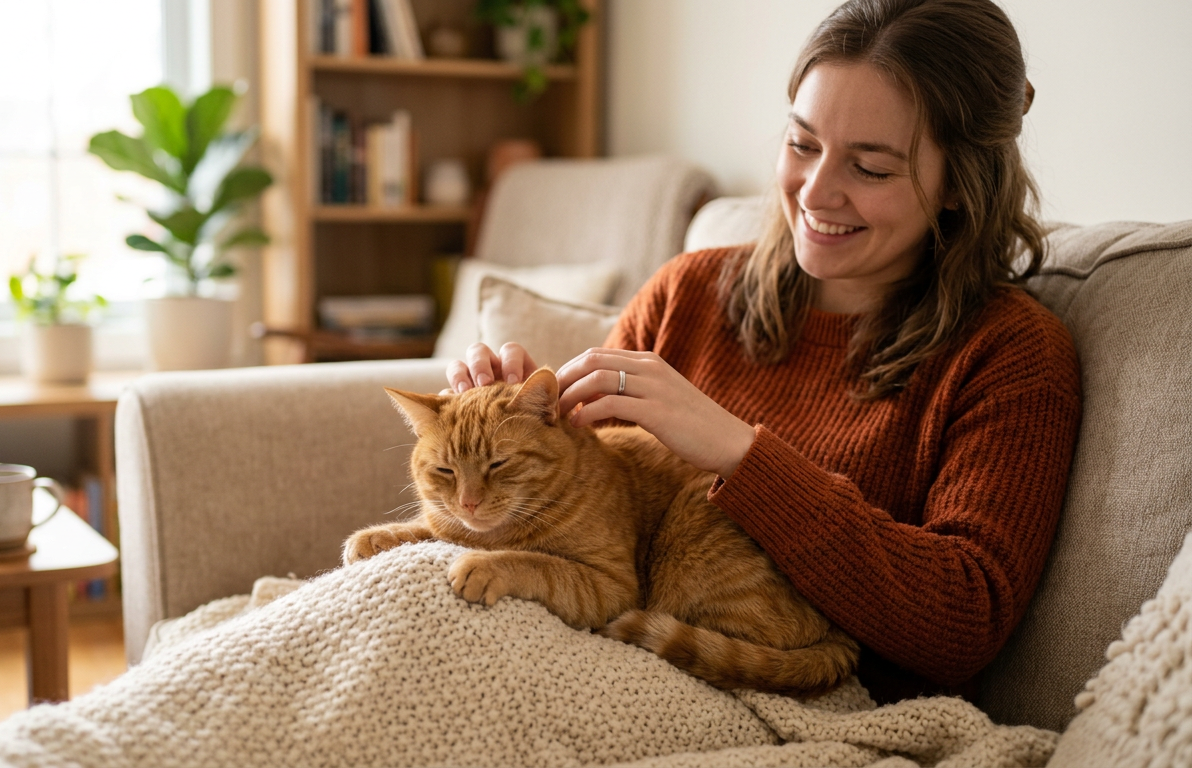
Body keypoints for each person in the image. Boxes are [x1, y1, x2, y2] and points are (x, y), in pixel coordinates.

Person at [445, 0, 1082, 705]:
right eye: (803, 143)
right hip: (606, 656)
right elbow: (578, 518)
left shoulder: (1011, 356)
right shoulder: (687, 292)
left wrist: (742, 455)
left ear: (960, 184)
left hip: (795, 697)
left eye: (869, 168)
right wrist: (507, 430)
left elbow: (961, 625)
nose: (815, 191)